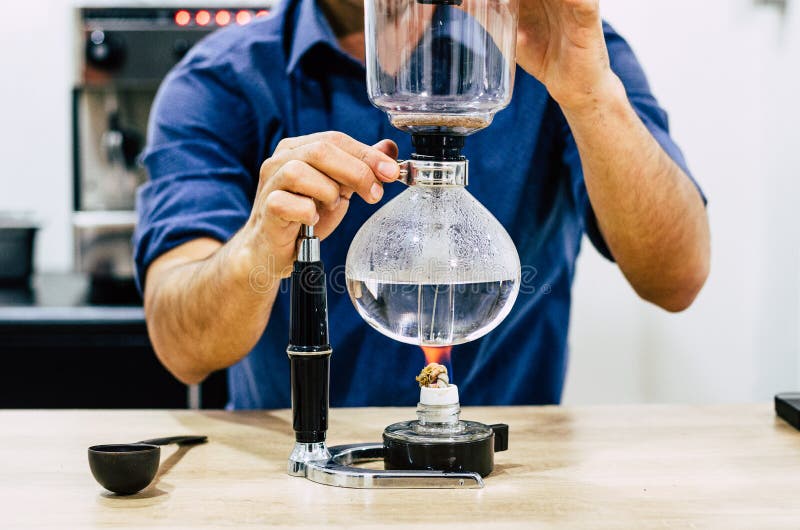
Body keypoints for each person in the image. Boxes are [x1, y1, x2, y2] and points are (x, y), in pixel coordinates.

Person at [134, 0, 710, 408]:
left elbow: (676, 278)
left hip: (511, 475)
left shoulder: (553, 39)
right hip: (302, 470)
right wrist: (260, 248)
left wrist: (587, 93)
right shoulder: (223, 79)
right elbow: (182, 346)